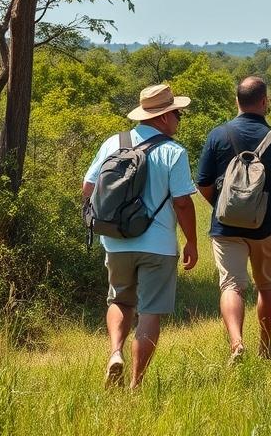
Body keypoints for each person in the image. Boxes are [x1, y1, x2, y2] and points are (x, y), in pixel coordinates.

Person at [82, 84, 198, 389]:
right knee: (149, 312)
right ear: (162, 117)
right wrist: (192, 242)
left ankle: (116, 353)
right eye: (177, 114)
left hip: (116, 241)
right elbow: (183, 202)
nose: (178, 119)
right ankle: (136, 383)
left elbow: (87, 187)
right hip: (157, 245)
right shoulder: (174, 152)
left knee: (119, 299)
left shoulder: (113, 143)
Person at [196, 76, 271, 364]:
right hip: (266, 227)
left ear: (236, 101)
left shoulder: (218, 135)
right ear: (265, 102)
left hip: (225, 227)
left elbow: (203, 182)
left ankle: (236, 343)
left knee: (231, 285)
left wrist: (221, 206)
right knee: (267, 285)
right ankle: (265, 348)